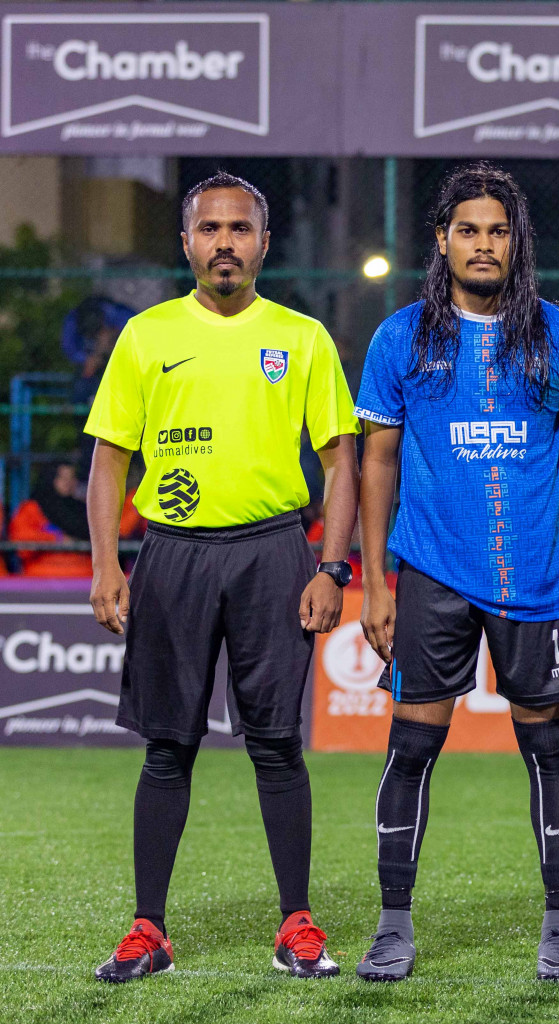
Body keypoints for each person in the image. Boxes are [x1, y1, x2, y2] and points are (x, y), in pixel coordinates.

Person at [84, 172, 360, 983]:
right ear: (187, 242)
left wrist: (332, 567)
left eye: (241, 229)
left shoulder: (302, 337)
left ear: (264, 244)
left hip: (274, 553)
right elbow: (109, 459)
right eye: (211, 230)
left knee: (277, 745)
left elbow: (341, 462)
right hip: (172, 554)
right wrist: (108, 563)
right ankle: (148, 930)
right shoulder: (146, 336)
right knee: (167, 747)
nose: (226, 243)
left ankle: (297, 926)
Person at [351, 164, 559, 982]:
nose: (483, 244)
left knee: (549, 750)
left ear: (515, 241)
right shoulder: (402, 337)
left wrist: (540, 502)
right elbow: (375, 462)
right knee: (412, 747)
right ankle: (392, 927)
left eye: (498, 231)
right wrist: (377, 582)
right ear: (443, 240)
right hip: (430, 575)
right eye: (469, 230)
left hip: (534, 579)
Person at [9, 462, 141, 577]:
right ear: (50, 478)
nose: (68, 482)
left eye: (71, 477)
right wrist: (58, 540)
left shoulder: (85, 509)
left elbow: (119, 531)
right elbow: (22, 543)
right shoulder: (31, 508)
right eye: (62, 477)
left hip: (86, 576)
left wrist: (136, 499)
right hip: (41, 579)